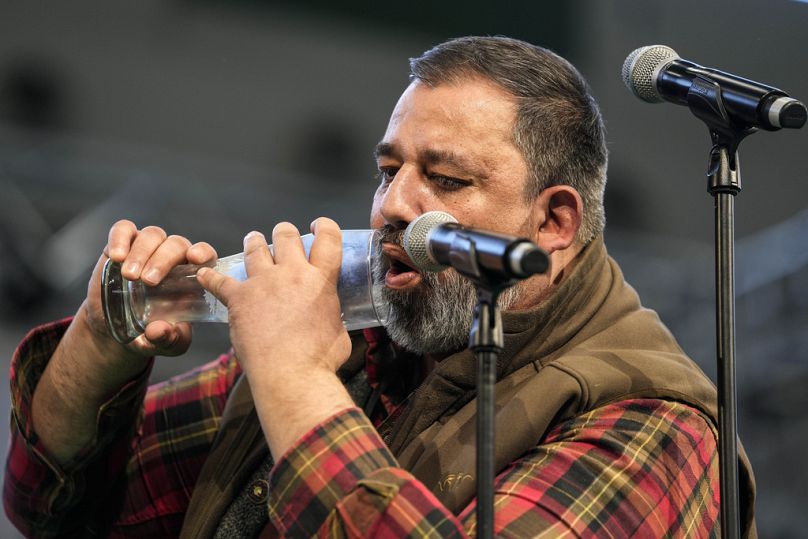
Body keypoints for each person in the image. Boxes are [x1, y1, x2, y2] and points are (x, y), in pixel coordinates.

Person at [4, 36, 756, 537]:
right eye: (388, 170)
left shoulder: (658, 427)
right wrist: (98, 341)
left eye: (445, 178)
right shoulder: (375, 337)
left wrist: (296, 379)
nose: (393, 204)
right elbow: (53, 507)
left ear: (553, 221)